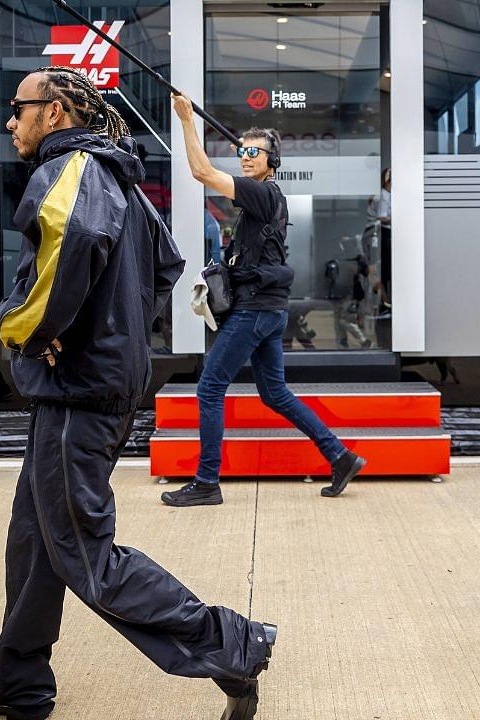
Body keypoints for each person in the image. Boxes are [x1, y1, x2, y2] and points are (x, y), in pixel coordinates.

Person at [0, 66, 275, 720]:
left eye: (18, 108)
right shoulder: (115, 173)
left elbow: (76, 242)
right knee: (35, 544)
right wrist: (105, 328)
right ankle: (18, 682)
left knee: (88, 557)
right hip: (84, 391)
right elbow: (166, 264)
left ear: (55, 111)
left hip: (76, 395)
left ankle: (231, 643)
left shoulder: (73, 170)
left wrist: (27, 329)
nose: (10, 121)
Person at [162, 93, 367, 507]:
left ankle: (206, 482)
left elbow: (202, 171)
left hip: (255, 311)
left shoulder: (261, 193)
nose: (246, 156)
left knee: (209, 388)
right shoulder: (266, 199)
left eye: (255, 151)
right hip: (269, 311)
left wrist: (186, 119)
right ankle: (340, 455)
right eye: (242, 150)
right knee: (274, 392)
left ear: (273, 160)